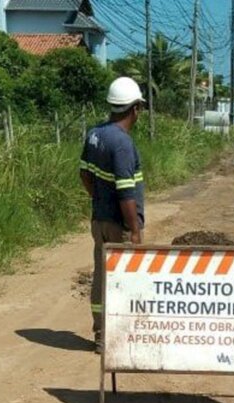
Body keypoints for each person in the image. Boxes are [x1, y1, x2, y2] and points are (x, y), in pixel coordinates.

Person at [80, 77, 147, 353]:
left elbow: (84, 174)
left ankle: (101, 336)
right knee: (123, 279)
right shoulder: (121, 143)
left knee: (101, 277)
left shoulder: (95, 134)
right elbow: (125, 192)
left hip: (99, 219)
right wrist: (134, 230)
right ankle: (119, 338)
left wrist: (98, 198)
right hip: (119, 224)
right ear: (134, 109)